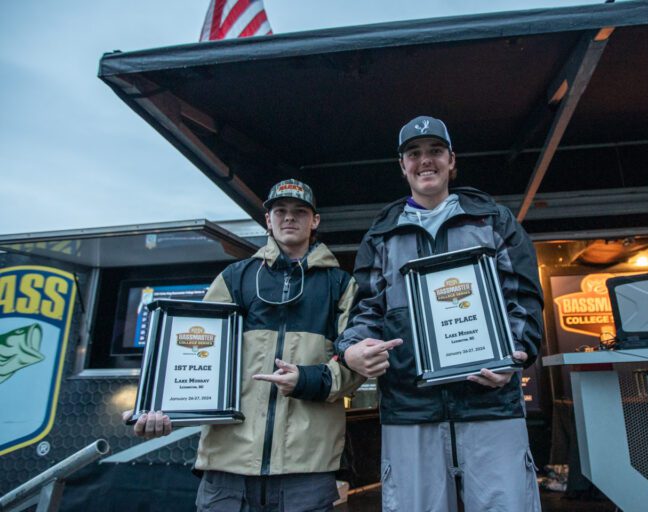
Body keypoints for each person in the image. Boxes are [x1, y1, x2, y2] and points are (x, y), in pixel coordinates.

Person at [336, 116, 544, 511]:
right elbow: (365, 310)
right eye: (413, 154)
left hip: (490, 403)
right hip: (409, 409)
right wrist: (351, 350)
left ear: (452, 160)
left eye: (434, 151)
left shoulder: (494, 221)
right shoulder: (381, 235)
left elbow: (524, 299)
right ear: (403, 166)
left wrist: (513, 354)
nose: (424, 161)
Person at [125, 179, 364, 512]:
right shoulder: (234, 278)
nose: (289, 218)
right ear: (268, 219)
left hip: (307, 471)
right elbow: (192, 351)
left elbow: (357, 367)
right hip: (226, 468)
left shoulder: (340, 284)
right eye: (280, 211)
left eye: (299, 211)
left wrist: (305, 380)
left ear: (316, 221)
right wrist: (159, 406)